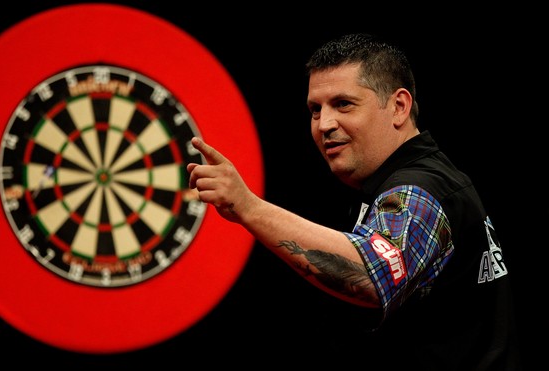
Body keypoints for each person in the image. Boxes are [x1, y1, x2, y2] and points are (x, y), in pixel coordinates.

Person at [186, 33, 521, 370]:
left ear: (399, 107)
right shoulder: (388, 179)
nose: (324, 124)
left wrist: (249, 207)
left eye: (343, 104)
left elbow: (373, 276)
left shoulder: (422, 189)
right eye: (315, 110)